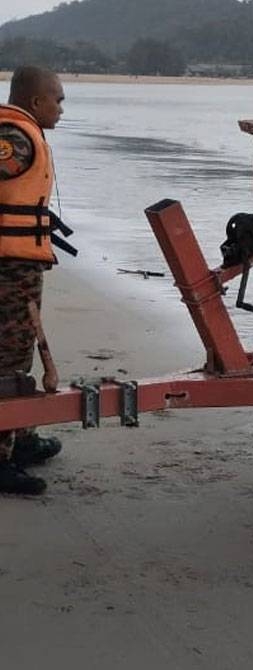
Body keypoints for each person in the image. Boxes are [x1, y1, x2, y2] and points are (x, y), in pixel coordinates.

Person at [0, 65, 68, 495]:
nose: (61, 109)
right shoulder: (16, 139)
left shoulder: (21, 134)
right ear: (35, 101)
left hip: (18, 263)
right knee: (8, 360)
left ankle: (22, 439)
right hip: (8, 266)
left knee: (19, 351)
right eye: (57, 100)